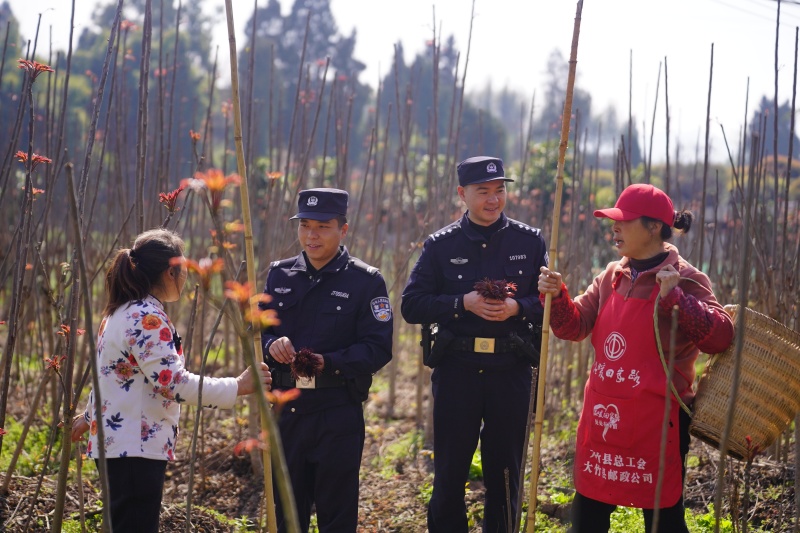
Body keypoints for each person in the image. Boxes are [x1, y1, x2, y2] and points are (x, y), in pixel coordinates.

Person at [537, 183, 735, 533]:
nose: (614, 228)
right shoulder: (610, 275)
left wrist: (676, 298)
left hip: (657, 424)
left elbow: (721, 337)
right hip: (603, 420)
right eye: (613, 220)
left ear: (655, 226)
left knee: (663, 522)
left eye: (623, 221)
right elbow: (574, 327)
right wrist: (557, 296)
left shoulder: (686, 279)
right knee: (587, 519)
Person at [71, 228, 271, 533]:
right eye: (185, 271)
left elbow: (110, 376)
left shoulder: (120, 312)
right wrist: (237, 386)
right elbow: (174, 383)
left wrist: (88, 417)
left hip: (119, 443)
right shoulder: (147, 318)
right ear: (170, 272)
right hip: (134, 447)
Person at [401, 156, 548, 533]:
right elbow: (411, 304)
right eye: (483, 191)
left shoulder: (529, 242)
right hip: (457, 372)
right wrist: (460, 302)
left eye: (499, 190)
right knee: (449, 473)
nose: (493, 199)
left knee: (505, 474)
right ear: (462, 194)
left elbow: (550, 303)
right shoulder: (439, 245)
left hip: (510, 370)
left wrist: (517, 306)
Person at [260, 188, 393, 532]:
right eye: (304, 226)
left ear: (343, 229)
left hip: (337, 410)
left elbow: (378, 348)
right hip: (287, 409)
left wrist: (329, 362)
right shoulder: (279, 274)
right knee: (288, 511)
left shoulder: (365, 281)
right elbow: (258, 331)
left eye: (322, 227)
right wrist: (272, 343)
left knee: (337, 512)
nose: (311, 235)